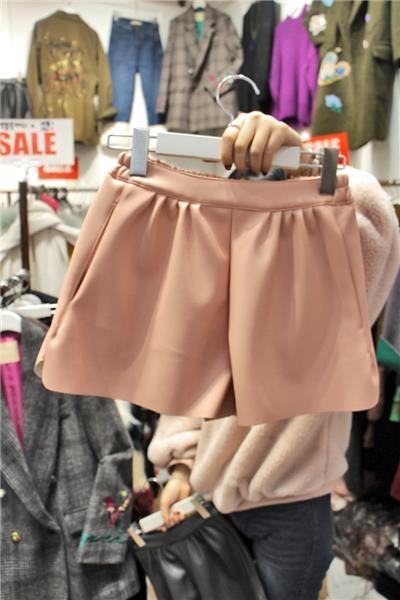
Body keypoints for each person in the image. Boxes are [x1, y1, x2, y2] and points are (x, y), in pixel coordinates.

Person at [147, 112, 400, 600]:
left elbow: (376, 225)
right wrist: (180, 466)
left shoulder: (328, 284)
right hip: (213, 498)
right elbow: (191, 377)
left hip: (291, 508)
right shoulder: (215, 268)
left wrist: (304, 162)